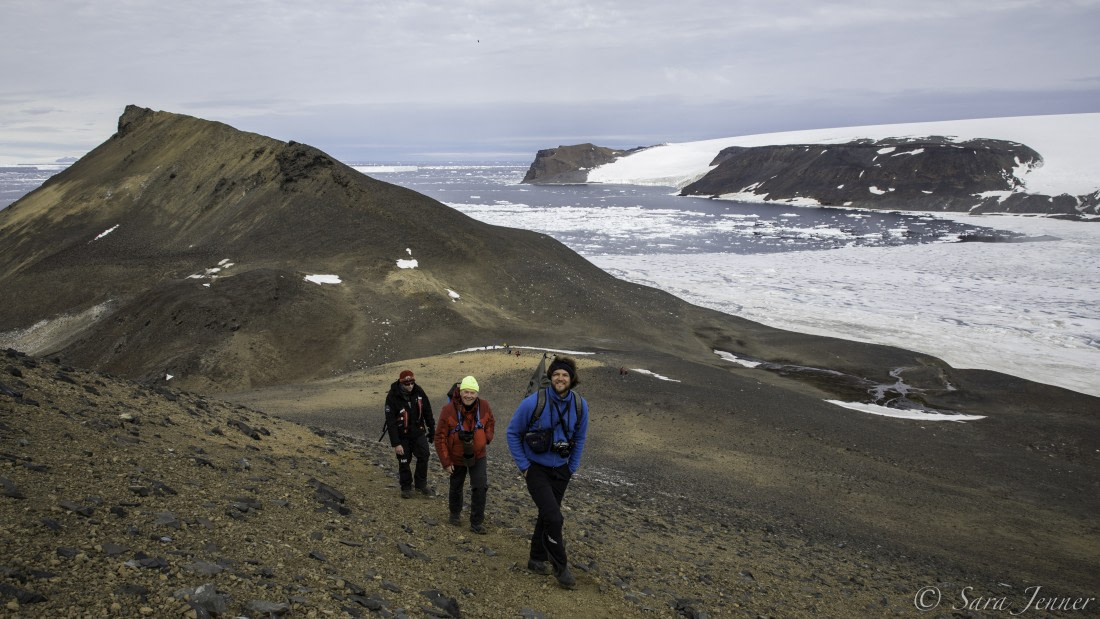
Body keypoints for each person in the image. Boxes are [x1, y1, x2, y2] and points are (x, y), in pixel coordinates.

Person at [506, 356, 589, 590]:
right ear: (550, 378)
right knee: (554, 517)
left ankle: (536, 558)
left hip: (562, 470)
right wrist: (524, 467)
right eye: (556, 374)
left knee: (546, 514)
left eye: (564, 375)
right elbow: (512, 433)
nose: (560, 378)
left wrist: (572, 468)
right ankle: (560, 567)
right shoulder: (533, 403)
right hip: (536, 469)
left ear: (572, 379)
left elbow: (580, 438)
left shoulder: (581, 406)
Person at [434, 376, 495, 534]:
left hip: (478, 454)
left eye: (472, 392)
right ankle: (454, 514)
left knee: (480, 487)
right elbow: (440, 436)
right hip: (456, 456)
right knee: (456, 486)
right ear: (460, 392)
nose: (469, 395)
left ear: (477, 393)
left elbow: (491, 422)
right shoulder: (448, 410)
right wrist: (446, 462)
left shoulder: (484, 406)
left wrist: (486, 438)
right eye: (466, 392)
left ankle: (476, 523)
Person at [384, 370, 436, 499]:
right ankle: (406, 487)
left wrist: (432, 430)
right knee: (404, 461)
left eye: (412, 382)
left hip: (418, 432)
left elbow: (427, 411)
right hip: (402, 436)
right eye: (407, 383)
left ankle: (421, 484)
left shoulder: (419, 392)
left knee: (424, 455)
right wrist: (396, 444)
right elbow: (391, 422)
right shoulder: (392, 396)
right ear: (401, 382)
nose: (410, 386)